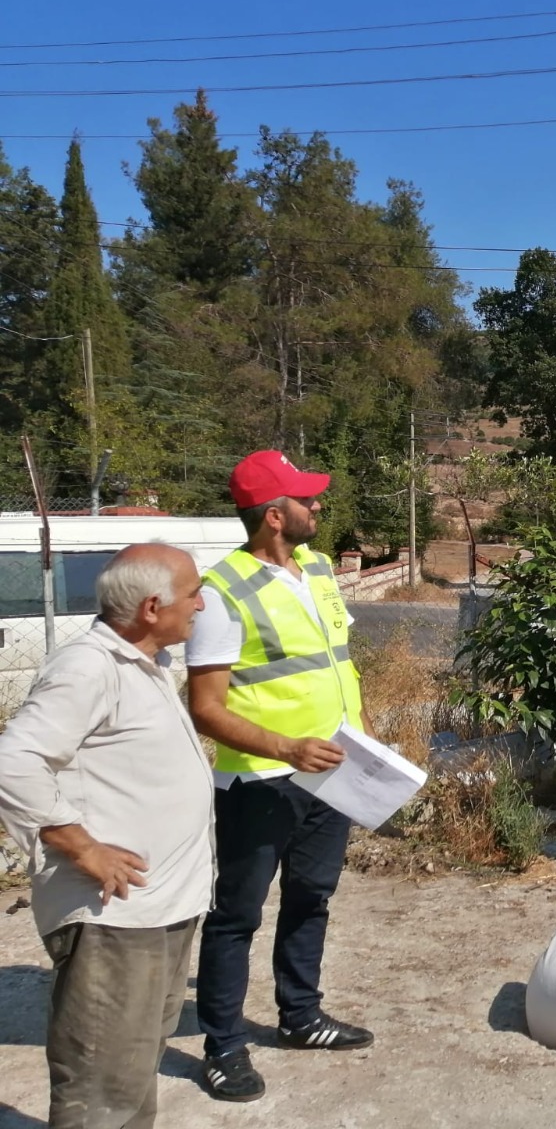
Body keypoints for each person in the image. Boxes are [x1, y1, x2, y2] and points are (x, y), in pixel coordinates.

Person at [0, 544, 213, 1129]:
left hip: (159, 909)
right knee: (100, 1086)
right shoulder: (88, 667)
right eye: (193, 591)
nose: (201, 602)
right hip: (114, 920)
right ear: (151, 607)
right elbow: (14, 761)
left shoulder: (144, 662)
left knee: (131, 1068)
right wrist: (81, 845)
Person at [187, 451, 374, 1103]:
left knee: (311, 899)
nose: (318, 506)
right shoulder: (220, 593)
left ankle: (300, 1017)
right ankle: (223, 1048)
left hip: (333, 773)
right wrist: (285, 746)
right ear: (274, 516)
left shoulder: (320, 569)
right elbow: (204, 707)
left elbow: (335, 662)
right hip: (261, 783)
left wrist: (360, 740)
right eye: (306, 499)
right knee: (236, 917)